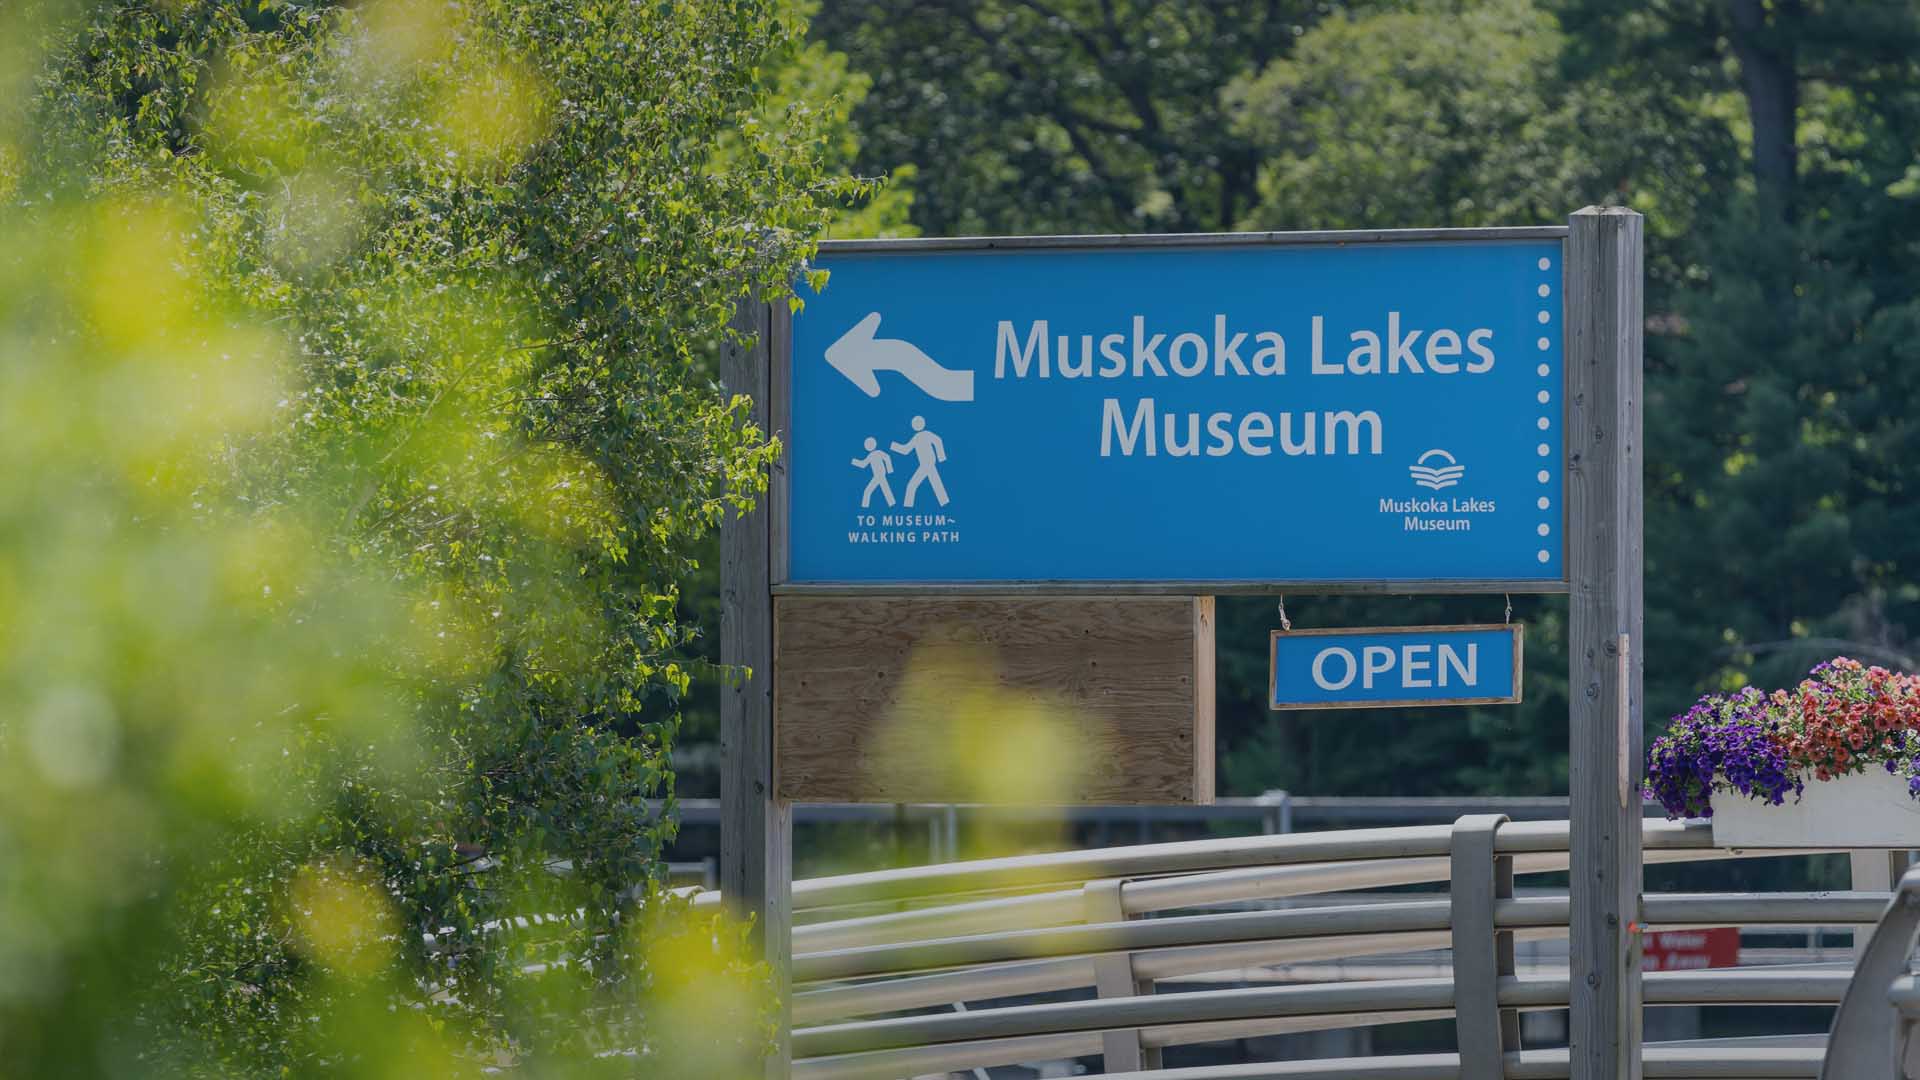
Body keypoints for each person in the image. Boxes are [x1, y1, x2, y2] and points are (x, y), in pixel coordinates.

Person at [890, 416, 949, 508]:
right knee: (935, 483)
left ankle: (907, 506)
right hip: (926, 464)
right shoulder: (916, 437)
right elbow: (906, 450)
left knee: (912, 485)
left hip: (927, 464)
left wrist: (941, 457)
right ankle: (945, 502)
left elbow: (938, 441)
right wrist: (893, 446)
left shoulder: (926, 434)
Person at [851, 436, 896, 507]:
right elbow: (863, 464)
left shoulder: (879, 452)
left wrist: (889, 470)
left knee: (868, 491)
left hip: (880, 475)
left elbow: (887, 457)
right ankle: (892, 503)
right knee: (883, 489)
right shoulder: (870, 455)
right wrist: (853, 461)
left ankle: (864, 506)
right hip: (877, 475)